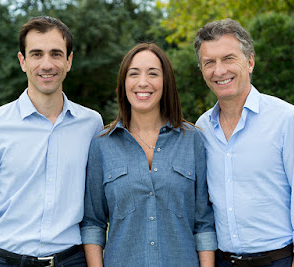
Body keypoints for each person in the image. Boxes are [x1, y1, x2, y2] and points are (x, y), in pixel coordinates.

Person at [0, 16, 103, 266]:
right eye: (36, 54)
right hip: (5, 260)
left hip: (71, 260)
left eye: (56, 54)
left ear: (69, 61)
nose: (46, 64)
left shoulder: (91, 125)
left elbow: (95, 209)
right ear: (22, 61)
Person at [194, 19, 294, 267]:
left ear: (250, 61)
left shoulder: (286, 118)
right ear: (201, 70)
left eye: (228, 58)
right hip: (223, 261)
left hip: (280, 260)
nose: (219, 70)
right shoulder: (201, 128)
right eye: (209, 62)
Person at [81, 43, 217, 266]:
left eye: (153, 74)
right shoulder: (101, 146)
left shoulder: (193, 140)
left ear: (166, 83)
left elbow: (203, 223)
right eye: (134, 74)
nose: (143, 82)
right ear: (123, 83)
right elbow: (92, 223)